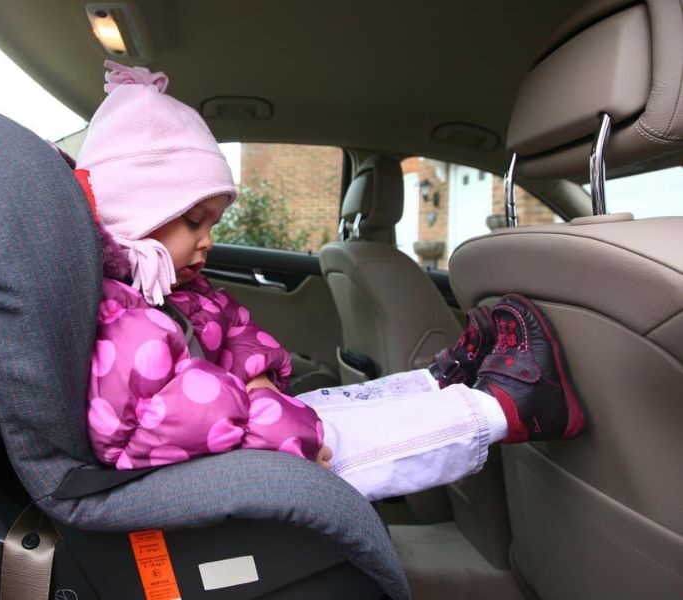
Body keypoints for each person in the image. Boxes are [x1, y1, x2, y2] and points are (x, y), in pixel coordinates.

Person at [74, 61, 585, 501]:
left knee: (327, 405)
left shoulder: (170, 293)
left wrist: (258, 380)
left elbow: (231, 332)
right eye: (193, 222)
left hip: (240, 430)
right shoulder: (124, 317)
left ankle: (434, 384)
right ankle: (505, 409)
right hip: (221, 472)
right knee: (343, 436)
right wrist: (269, 412)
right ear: (136, 210)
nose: (207, 241)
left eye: (213, 224)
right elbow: (156, 424)